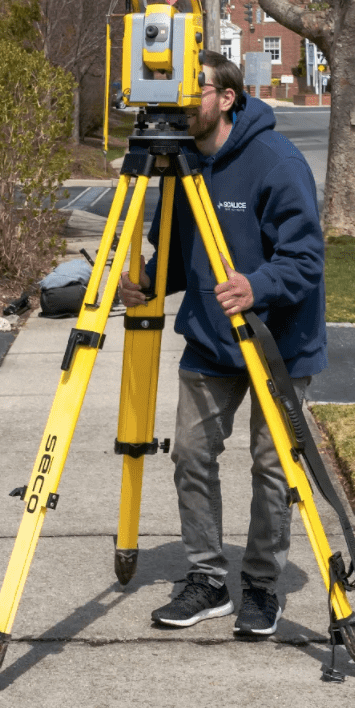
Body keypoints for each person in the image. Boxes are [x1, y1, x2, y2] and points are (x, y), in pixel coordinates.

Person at [119, 52, 327, 636]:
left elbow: (305, 258)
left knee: (272, 465)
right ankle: (207, 578)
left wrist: (256, 285)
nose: (184, 99)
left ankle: (261, 585)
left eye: (196, 88)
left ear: (227, 98)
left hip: (278, 341)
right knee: (189, 453)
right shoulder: (182, 166)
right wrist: (151, 281)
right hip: (211, 340)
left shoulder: (276, 162)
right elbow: (186, 257)